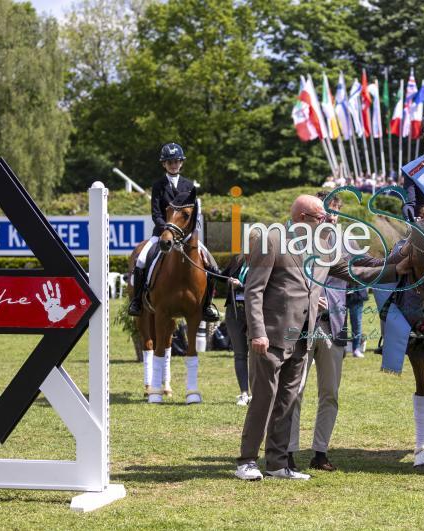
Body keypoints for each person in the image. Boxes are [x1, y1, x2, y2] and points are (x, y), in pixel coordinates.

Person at [235, 194, 406, 481]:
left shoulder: (324, 247)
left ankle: (277, 463)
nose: (326, 222)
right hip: (273, 335)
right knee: (264, 399)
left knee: (287, 401)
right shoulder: (272, 240)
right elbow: (254, 290)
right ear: (302, 218)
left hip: (303, 336)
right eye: (321, 217)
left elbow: (356, 273)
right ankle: (247, 461)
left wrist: (396, 270)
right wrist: (258, 332)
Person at [288, 192, 384, 471]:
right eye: (326, 212)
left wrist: (400, 258)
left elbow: (367, 263)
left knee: (329, 393)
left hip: (335, 326)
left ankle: (320, 451)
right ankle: (290, 450)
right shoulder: (295, 240)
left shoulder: (345, 240)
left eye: (336, 213)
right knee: (295, 391)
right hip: (302, 326)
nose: (332, 217)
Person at [128, 142, 221, 322]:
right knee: (140, 260)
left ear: (181, 163)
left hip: (185, 236)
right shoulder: (158, 185)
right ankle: (137, 302)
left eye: (176, 161)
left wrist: (186, 232)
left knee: (211, 263)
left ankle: (207, 305)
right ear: (164, 164)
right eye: (170, 162)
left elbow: (193, 214)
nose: (173, 165)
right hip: (163, 234)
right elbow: (156, 213)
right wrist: (168, 229)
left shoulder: (189, 186)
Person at [220, 253, 250, 406]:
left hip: (255, 312)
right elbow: (220, 276)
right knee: (240, 354)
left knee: (259, 357)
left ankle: (259, 393)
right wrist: (204, 264)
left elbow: (267, 286)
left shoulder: (264, 260)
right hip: (234, 311)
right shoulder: (237, 260)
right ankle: (244, 393)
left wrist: (242, 286)